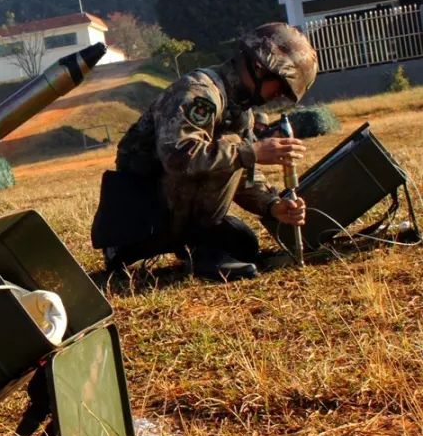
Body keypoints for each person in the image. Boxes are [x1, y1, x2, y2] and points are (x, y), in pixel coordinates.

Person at [90, 22, 317, 281]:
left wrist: (273, 205)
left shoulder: (240, 110)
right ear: (259, 68)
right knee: (231, 148)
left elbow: (239, 173)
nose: (277, 96)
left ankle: (199, 245)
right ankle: (199, 251)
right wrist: (251, 152)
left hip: (169, 210)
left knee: (245, 245)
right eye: (280, 87)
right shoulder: (200, 92)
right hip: (140, 218)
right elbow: (179, 157)